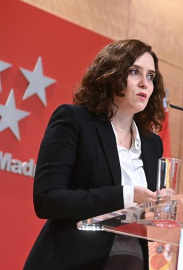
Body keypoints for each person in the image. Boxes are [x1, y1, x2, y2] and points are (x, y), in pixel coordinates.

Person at [24, 39, 165, 270]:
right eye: (134, 72)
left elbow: (145, 217)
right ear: (111, 74)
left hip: (131, 261)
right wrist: (127, 195)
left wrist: (160, 205)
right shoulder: (75, 121)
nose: (144, 84)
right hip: (73, 260)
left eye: (150, 77)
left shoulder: (152, 144)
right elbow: (47, 199)